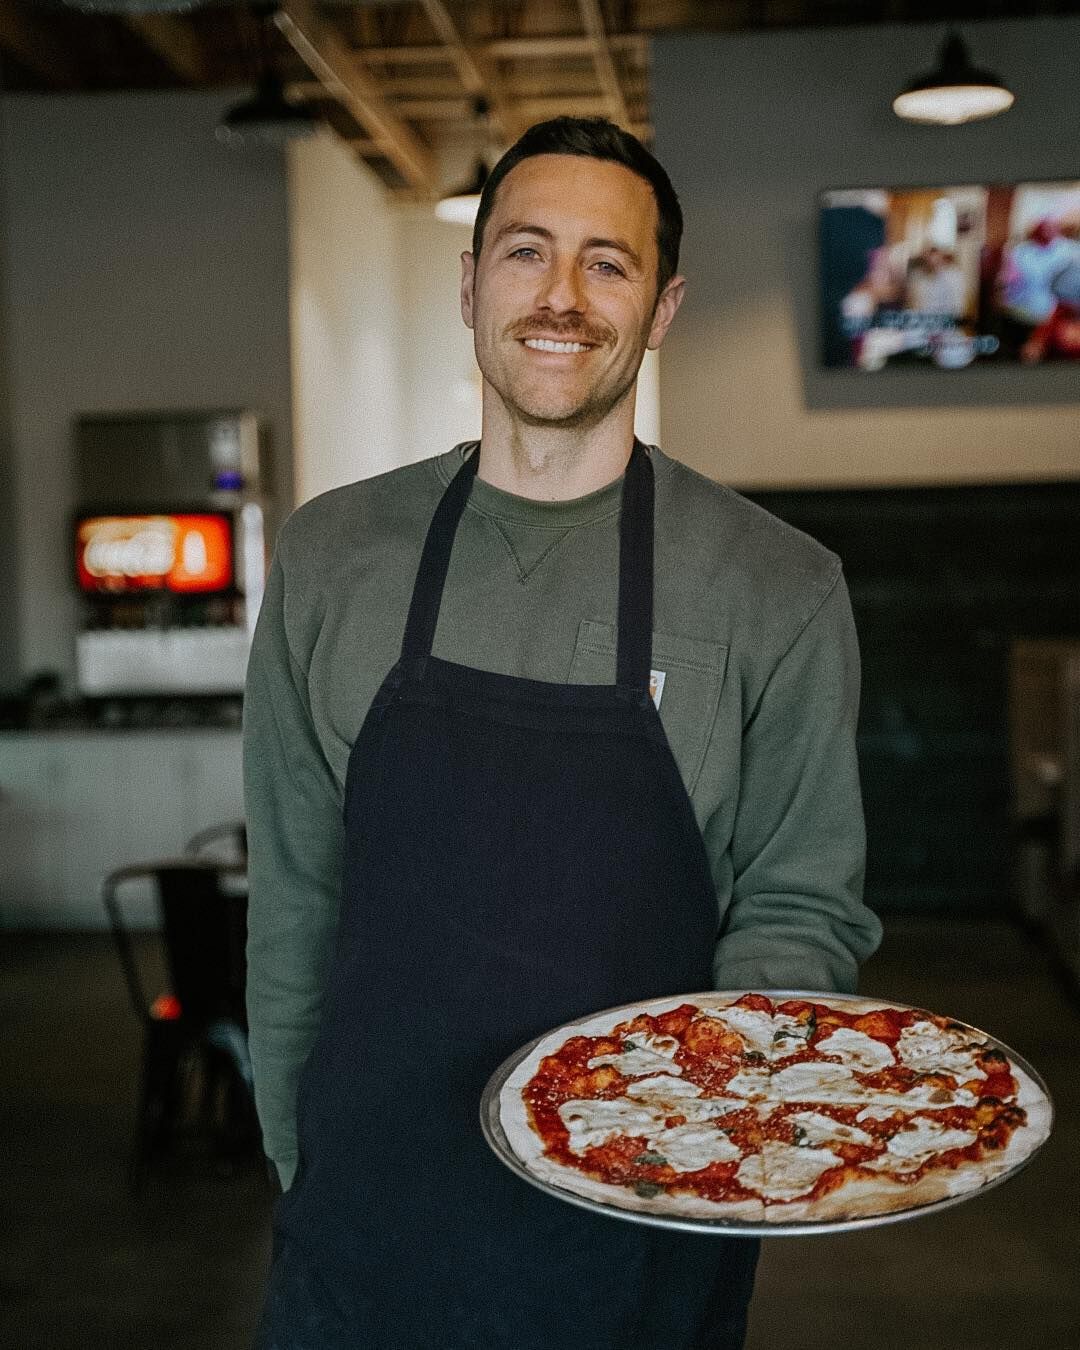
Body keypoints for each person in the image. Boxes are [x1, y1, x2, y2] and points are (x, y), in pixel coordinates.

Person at [245, 116, 882, 1349]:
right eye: (527, 251)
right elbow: (295, 894)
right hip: (364, 1234)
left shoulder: (778, 587)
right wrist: (298, 1162)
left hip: (645, 1239)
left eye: (609, 262)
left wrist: (714, 1157)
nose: (562, 297)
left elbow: (800, 906)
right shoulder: (331, 558)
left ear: (664, 307)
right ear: (470, 284)